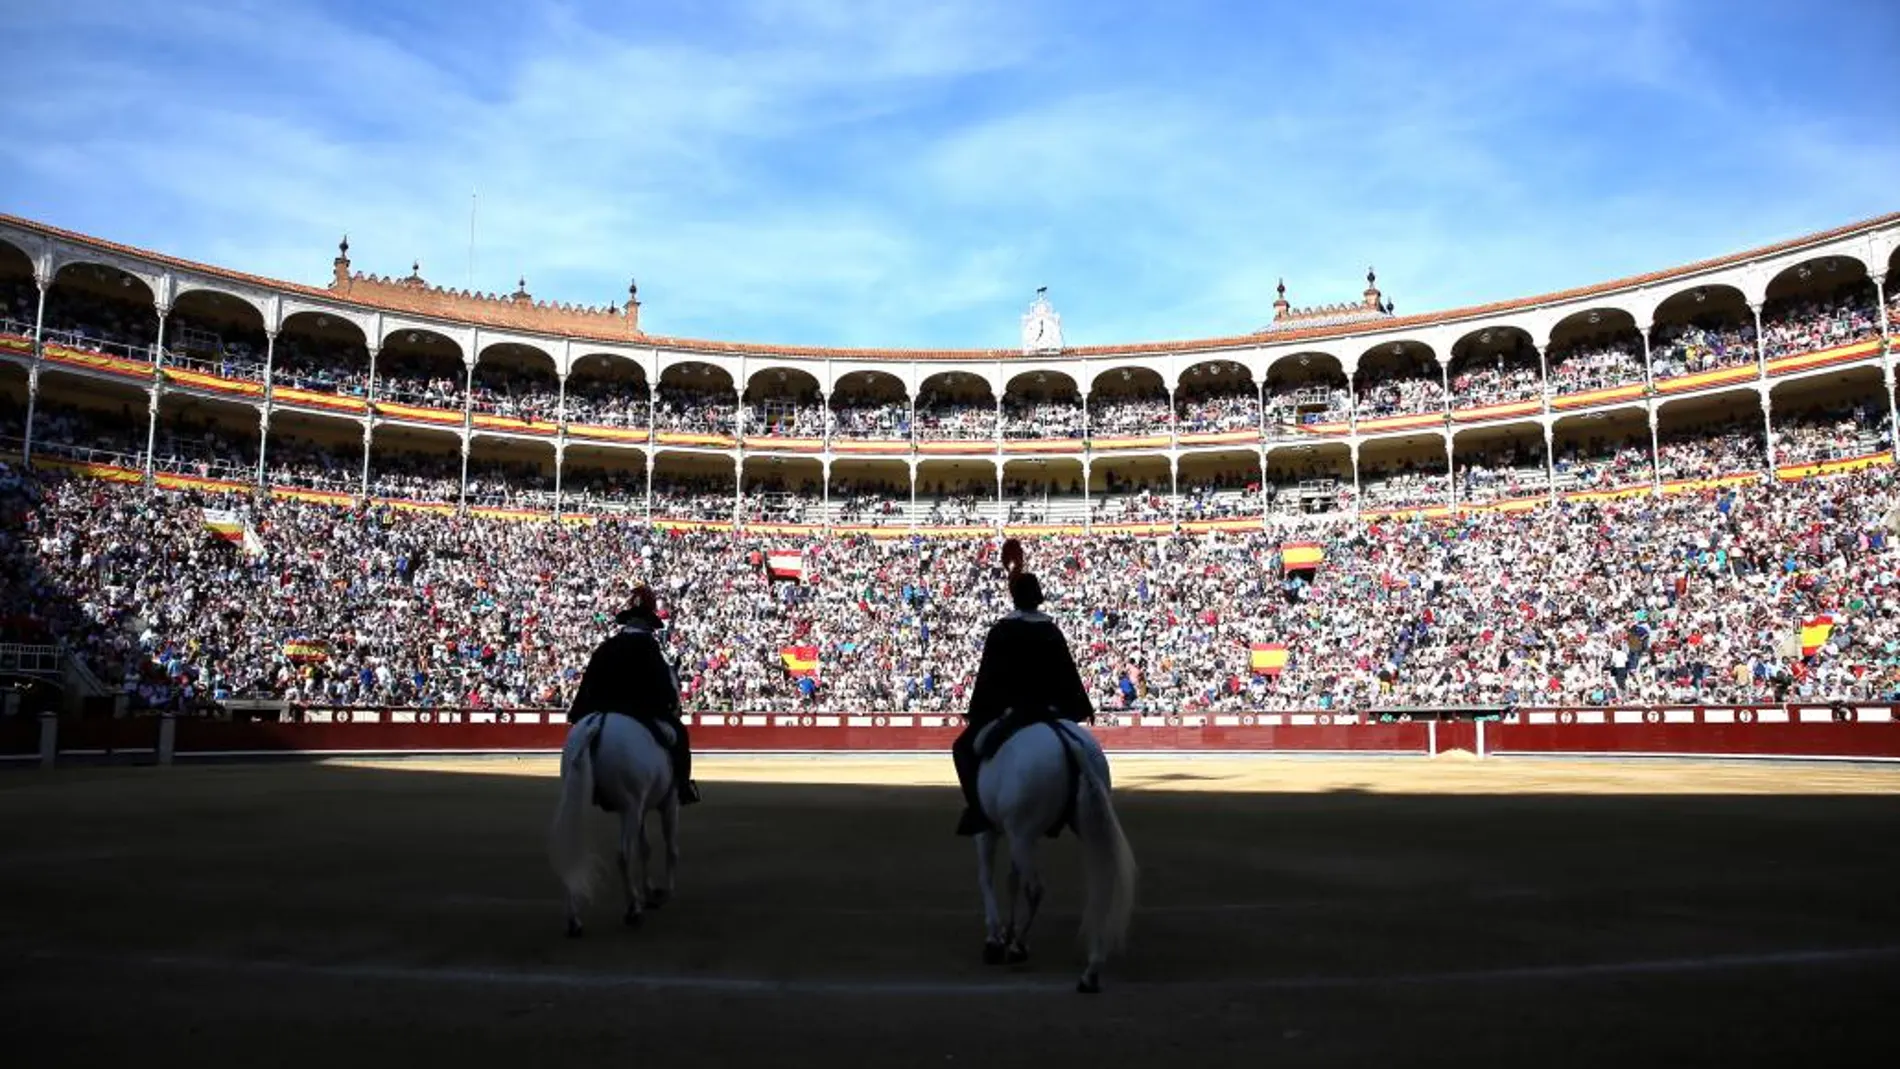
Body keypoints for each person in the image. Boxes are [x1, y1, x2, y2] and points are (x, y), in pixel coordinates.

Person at [951, 570, 1093, 835]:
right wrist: (1081, 707)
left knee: (961, 748)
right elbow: (1067, 671)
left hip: (1013, 710)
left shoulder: (1002, 630)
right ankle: (1069, 809)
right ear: (1038, 599)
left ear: (1013, 598)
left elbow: (989, 675)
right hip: (1050, 710)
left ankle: (978, 812)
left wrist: (979, 712)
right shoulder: (1051, 630)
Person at [566, 584, 701, 805]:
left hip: (603, 710)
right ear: (650, 622)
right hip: (641, 712)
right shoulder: (651, 650)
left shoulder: (606, 647)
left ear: (627, 619)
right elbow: (665, 689)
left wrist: (578, 714)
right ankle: (682, 788)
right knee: (679, 734)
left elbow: (588, 683)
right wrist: (668, 707)